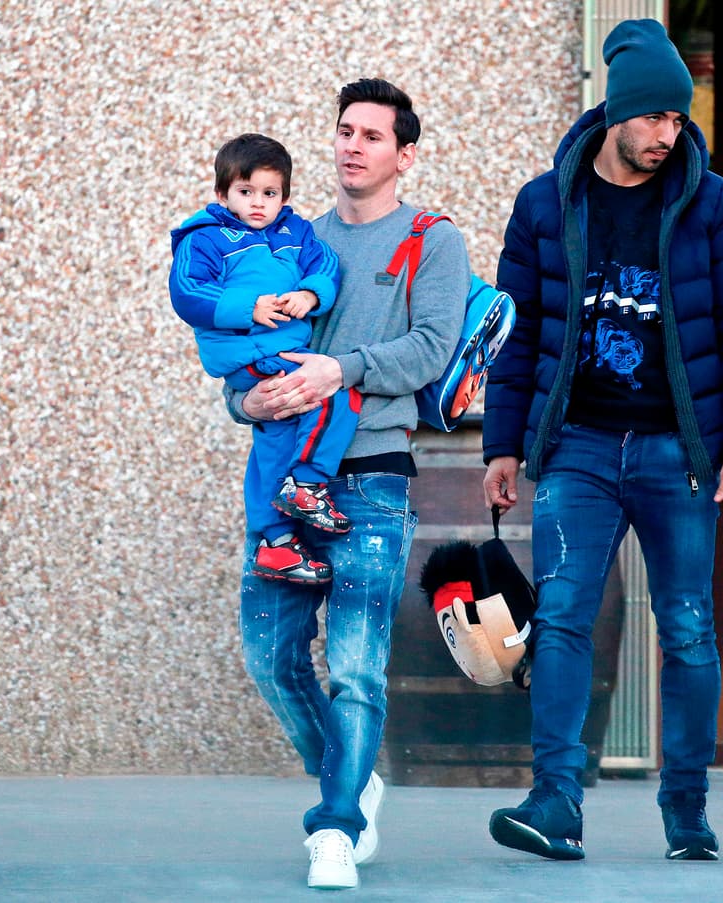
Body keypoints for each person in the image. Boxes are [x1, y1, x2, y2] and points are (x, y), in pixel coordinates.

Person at [481, 18, 723, 863]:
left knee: (685, 625)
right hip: (576, 444)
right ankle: (556, 801)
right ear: (619, 111)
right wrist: (504, 444)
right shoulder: (548, 201)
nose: (668, 135)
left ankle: (686, 810)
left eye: (679, 121)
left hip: (677, 453)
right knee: (564, 616)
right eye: (655, 118)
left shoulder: (712, 203)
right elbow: (519, 331)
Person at [220, 80, 470, 890]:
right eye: (343, 131)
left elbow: (433, 346)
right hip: (283, 476)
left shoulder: (432, 240)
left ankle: (333, 827)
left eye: (371, 135)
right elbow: (242, 341)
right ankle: (353, 781)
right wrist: (243, 399)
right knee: (269, 653)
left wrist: (344, 369)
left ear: (405, 154)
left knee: (356, 667)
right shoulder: (293, 237)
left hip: (373, 477)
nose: (351, 146)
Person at [170, 133, 355, 586]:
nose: (257, 203)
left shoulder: (298, 233)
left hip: (283, 350)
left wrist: (311, 293)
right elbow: (188, 292)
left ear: (285, 196)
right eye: (245, 192)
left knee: (277, 435)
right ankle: (308, 484)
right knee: (334, 396)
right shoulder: (207, 238)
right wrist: (248, 307)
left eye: (269, 193)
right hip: (248, 350)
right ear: (222, 194)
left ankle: (275, 544)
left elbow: (327, 266)